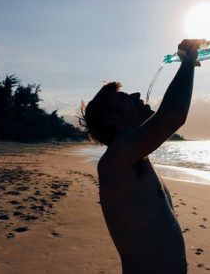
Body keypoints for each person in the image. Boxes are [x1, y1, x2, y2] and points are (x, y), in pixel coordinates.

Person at [82, 39, 202, 273]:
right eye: (124, 98)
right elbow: (173, 115)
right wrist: (186, 62)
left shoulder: (135, 158)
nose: (136, 94)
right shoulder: (115, 160)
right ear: (113, 119)